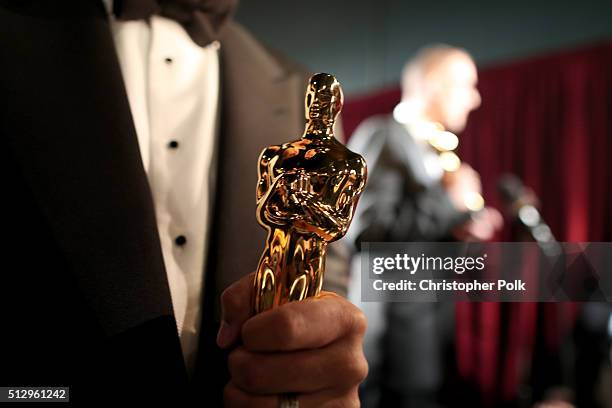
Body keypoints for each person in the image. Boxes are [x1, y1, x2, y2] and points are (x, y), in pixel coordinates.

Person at [0, 0, 367, 406]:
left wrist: (316, 357)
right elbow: (269, 208)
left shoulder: (291, 81)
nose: (319, 105)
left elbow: (331, 257)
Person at [346, 45, 502, 407]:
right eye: (467, 85)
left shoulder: (434, 149)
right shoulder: (383, 133)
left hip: (428, 330)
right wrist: (449, 202)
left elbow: (419, 232)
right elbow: (366, 230)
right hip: (393, 336)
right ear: (434, 84)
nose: (475, 99)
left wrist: (462, 226)